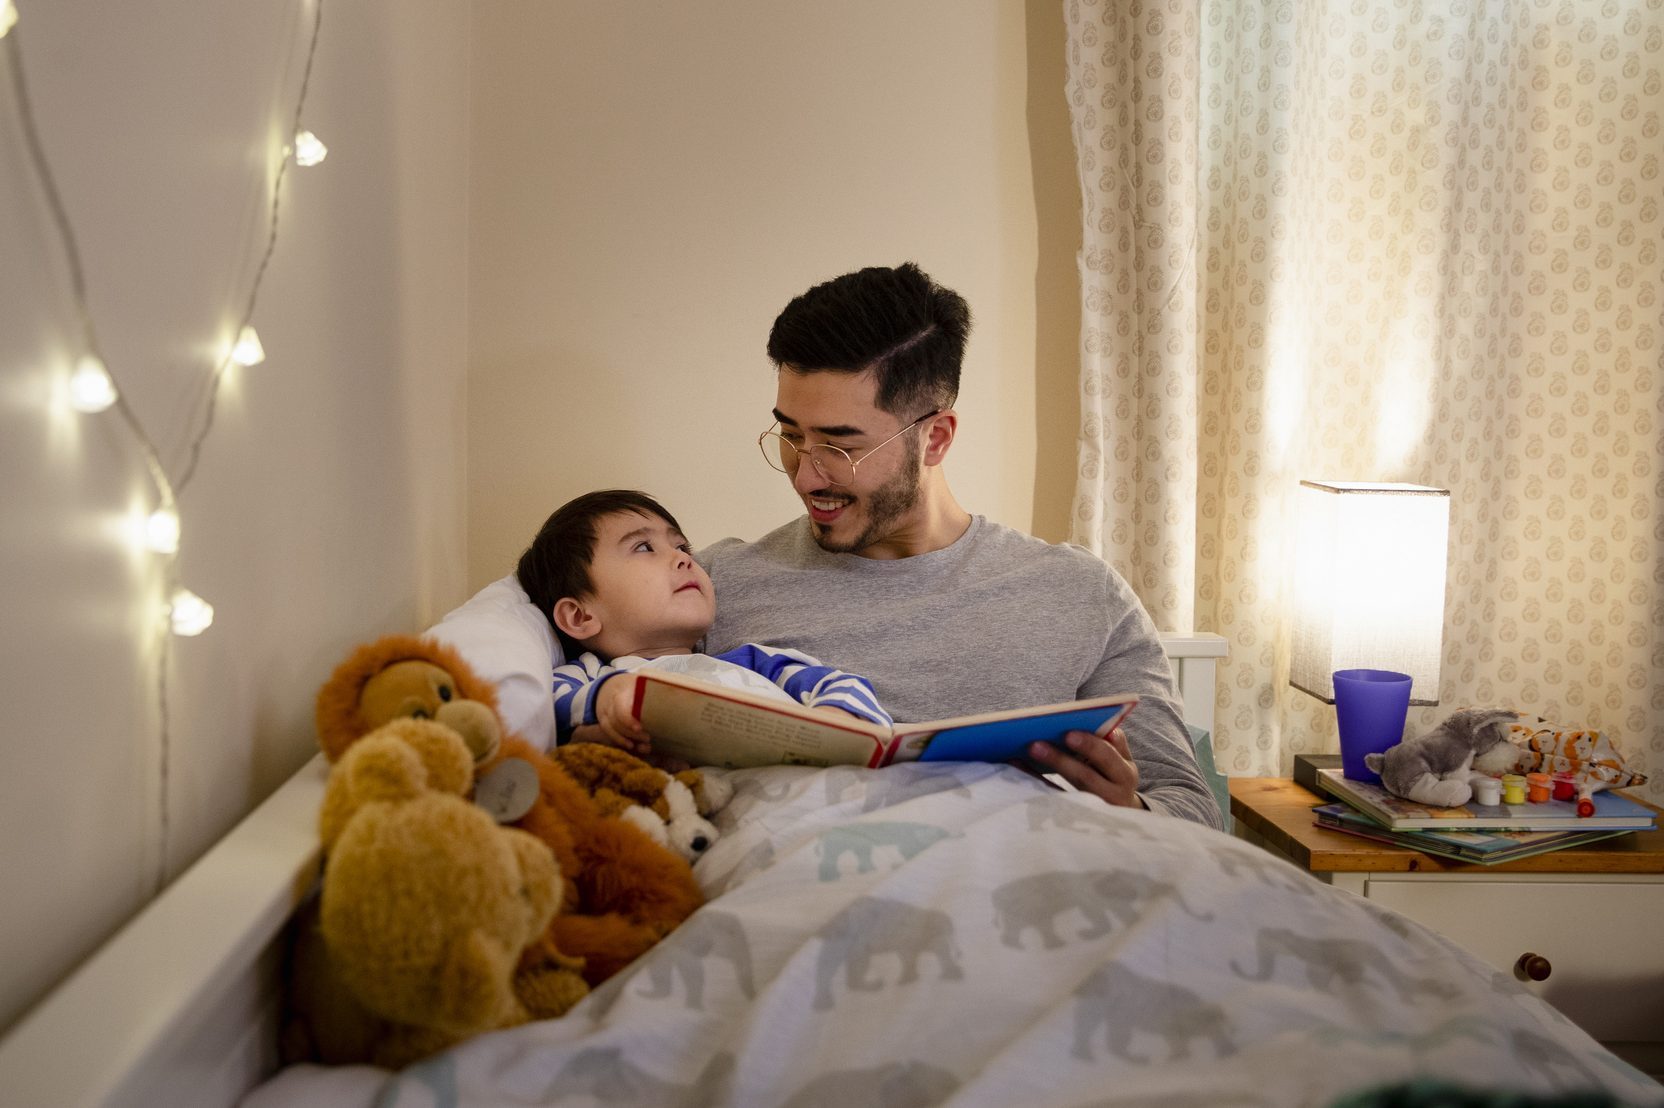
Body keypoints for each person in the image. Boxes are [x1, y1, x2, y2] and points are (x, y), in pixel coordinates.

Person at [698, 263, 1223, 828]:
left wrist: (1131, 808)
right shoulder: (708, 587)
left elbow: (1193, 811)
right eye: (791, 436)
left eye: (839, 447)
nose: (805, 476)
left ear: (936, 438)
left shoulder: (1078, 596)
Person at [516, 489, 891, 754]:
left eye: (681, 547)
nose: (684, 559)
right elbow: (532, 712)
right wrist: (605, 700)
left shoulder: (754, 663)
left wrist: (833, 719)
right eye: (643, 547)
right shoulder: (589, 677)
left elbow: (843, 685)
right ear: (580, 615)